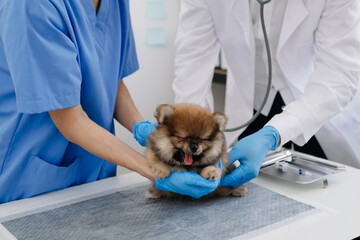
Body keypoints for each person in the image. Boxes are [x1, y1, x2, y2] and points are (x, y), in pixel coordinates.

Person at [0, 0, 221, 203]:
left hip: (95, 173)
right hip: (30, 177)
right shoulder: (31, 4)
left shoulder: (114, 3)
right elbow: (71, 121)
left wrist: (146, 130)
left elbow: (108, 79)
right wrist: (153, 167)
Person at [171, 0, 360, 188]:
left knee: (331, 192)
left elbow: (338, 73)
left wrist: (275, 133)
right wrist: (189, 133)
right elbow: (192, 59)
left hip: (317, 107)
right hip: (252, 103)